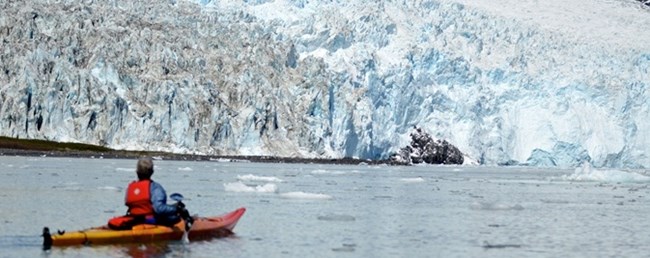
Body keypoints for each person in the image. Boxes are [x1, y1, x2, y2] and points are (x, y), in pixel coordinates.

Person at [124, 157, 181, 226]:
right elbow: (159, 209)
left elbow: (127, 202)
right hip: (150, 220)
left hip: (134, 220)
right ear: (152, 172)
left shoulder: (131, 187)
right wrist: (176, 209)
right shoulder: (155, 187)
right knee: (178, 217)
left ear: (137, 172)